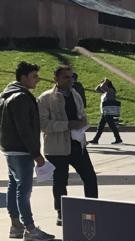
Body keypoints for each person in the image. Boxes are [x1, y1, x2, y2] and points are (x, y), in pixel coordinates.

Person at [1, 61, 54, 241]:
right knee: (23, 189)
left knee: (14, 185)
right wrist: (36, 154)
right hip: (22, 150)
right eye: (34, 76)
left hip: (10, 149)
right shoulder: (21, 97)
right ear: (23, 78)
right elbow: (24, 129)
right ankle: (30, 229)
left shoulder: (6, 95)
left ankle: (16, 226)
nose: (37, 80)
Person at [38, 64, 97, 226]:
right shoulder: (46, 98)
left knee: (90, 177)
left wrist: (84, 122)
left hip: (77, 145)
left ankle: (93, 209)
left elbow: (82, 114)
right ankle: (61, 214)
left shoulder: (75, 94)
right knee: (60, 181)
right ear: (56, 78)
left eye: (71, 77)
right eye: (66, 77)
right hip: (56, 148)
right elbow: (43, 124)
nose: (70, 80)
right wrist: (68, 125)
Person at [89, 78, 122, 144]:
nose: (101, 84)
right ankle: (95, 140)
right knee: (101, 126)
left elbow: (102, 87)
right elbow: (97, 89)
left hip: (108, 112)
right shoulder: (105, 92)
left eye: (103, 83)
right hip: (104, 111)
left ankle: (118, 139)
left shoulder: (110, 90)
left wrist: (105, 81)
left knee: (111, 126)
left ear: (107, 85)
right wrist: (102, 82)